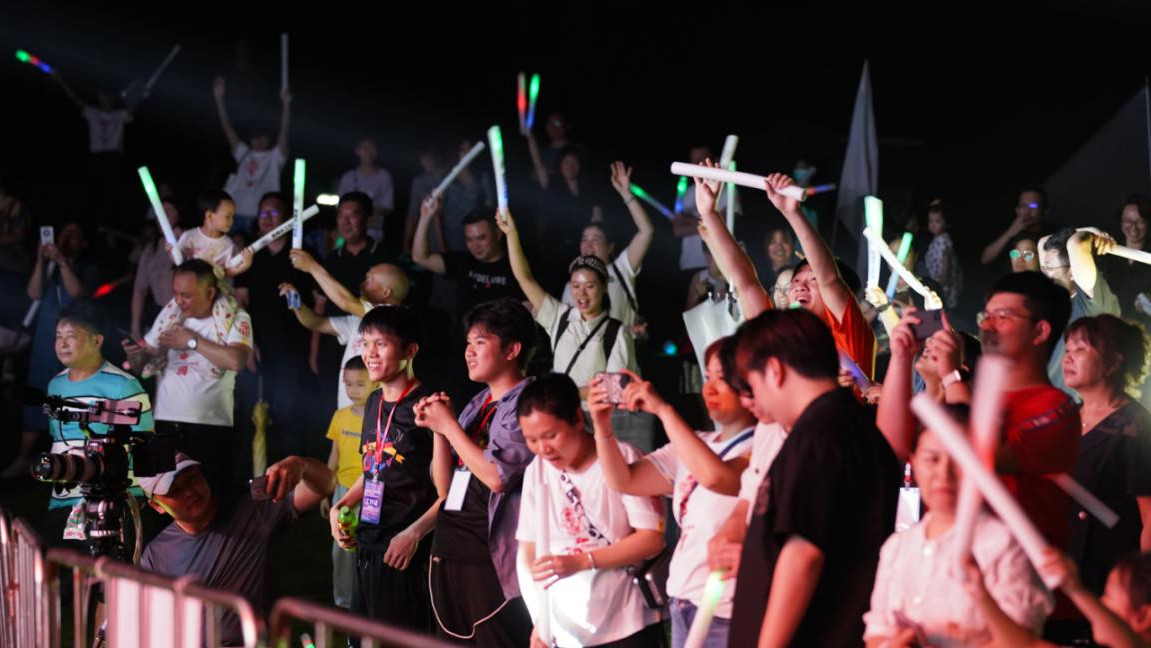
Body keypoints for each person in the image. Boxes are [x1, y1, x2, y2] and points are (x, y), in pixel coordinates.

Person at [726, 308, 900, 647]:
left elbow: (804, 553)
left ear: (774, 371)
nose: (754, 401)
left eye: (753, 384)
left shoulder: (820, 435)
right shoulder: (845, 425)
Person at [590, 339, 756, 648]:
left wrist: (664, 410)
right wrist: (603, 429)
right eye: (707, 376)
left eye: (722, 378)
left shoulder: (765, 445)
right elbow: (623, 480)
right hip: (683, 599)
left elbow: (716, 477)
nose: (710, 388)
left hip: (727, 608)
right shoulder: (695, 441)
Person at [863, 407, 1054, 647]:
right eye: (932, 459)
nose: (944, 473)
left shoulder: (1002, 543)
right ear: (914, 462)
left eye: (959, 460)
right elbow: (876, 632)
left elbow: (1024, 642)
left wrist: (981, 596)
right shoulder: (897, 548)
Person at [415, 299, 538, 646]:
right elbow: (444, 487)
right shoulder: (478, 403)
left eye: (480, 342)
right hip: (451, 545)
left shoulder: (528, 404)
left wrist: (449, 426)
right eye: (468, 343)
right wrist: (439, 430)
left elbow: (498, 477)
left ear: (512, 350)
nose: (469, 352)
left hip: (491, 555)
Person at [514, 373, 666, 648]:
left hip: (626, 620)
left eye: (551, 435)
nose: (543, 449)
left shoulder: (623, 458)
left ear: (577, 418)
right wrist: (540, 619)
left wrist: (582, 561)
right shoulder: (536, 471)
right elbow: (527, 552)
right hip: (565, 626)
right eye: (531, 440)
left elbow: (651, 539)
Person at [328, 305, 449, 633]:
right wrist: (342, 505)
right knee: (363, 636)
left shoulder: (428, 405)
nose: (370, 353)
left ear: (410, 351)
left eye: (381, 344)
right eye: (366, 344)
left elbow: (447, 495)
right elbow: (373, 471)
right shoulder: (373, 401)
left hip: (404, 549)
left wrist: (413, 534)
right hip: (368, 541)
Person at [139, 452, 335, 647]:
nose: (189, 491)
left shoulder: (254, 512)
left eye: (192, 478)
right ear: (157, 506)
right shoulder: (156, 554)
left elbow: (326, 485)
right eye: (175, 490)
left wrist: (301, 465)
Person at [123, 259, 253, 496]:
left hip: (209, 426)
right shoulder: (171, 315)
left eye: (186, 295)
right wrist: (136, 357)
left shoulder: (235, 316)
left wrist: (192, 341)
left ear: (210, 292)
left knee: (210, 497)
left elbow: (236, 360)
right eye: (175, 293)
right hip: (166, 423)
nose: (178, 301)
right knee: (164, 498)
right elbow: (144, 365)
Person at [977, 271, 1079, 547]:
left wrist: (951, 379)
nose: (987, 326)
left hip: (1019, 562)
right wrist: (903, 357)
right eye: (986, 316)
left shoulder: (1056, 407)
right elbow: (896, 447)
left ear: (1040, 331)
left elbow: (980, 459)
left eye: (1002, 317)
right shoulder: (978, 397)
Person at [39, 301, 154, 542]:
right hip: (63, 501)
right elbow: (58, 440)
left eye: (71, 336)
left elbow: (146, 448)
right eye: (58, 336)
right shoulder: (55, 385)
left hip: (111, 505)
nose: (62, 343)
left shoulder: (123, 386)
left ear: (97, 340)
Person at [498, 209, 634, 397]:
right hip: (561, 412)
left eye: (590, 286)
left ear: (604, 287)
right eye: (576, 286)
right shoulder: (559, 316)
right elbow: (525, 278)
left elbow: (616, 388)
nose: (582, 293)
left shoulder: (617, 332)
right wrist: (511, 233)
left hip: (592, 415)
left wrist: (564, 393)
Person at [1062, 315, 1151, 593]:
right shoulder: (1066, 417)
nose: (1067, 358)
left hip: (1108, 578)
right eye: (1067, 350)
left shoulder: (1135, 427)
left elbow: (1149, 517)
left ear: (1113, 362)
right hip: (1062, 567)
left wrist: (1141, 585)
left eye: (1080, 349)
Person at [762, 170, 876, 378]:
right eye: (796, 281)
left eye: (813, 279)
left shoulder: (849, 332)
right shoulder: (788, 343)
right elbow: (745, 284)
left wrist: (792, 212)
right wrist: (709, 214)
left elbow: (829, 279)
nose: (799, 286)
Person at [8, 222, 100, 479]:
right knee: (37, 393)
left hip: (74, 343)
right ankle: (23, 458)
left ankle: (69, 460)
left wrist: (61, 262)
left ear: (84, 243)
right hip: (45, 341)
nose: (68, 237)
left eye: (75, 234)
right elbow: (34, 292)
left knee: (69, 398)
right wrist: (41, 260)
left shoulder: (88, 269)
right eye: (65, 232)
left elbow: (78, 292)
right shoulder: (48, 266)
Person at [282, 251, 409, 409]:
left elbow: (345, 302)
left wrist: (312, 267)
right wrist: (294, 301)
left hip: (375, 415)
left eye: (370, 280)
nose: (362, 284)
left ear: (386, 292)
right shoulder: (360, 320)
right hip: (349, 411)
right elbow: (315, 323)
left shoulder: (394, 318)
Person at [559, 161, 655, 331]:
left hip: (624, 348)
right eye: (584, 239)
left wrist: (626, 194)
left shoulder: (621, 269)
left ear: (610, 247)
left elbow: (646, 231)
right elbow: (570, 329)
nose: (588, 244)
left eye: (595, 239)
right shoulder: (572, 285)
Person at [1038, 227, 1121, 395]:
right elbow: (1042, 242)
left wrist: (1091, 235)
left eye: (1050, 268)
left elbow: (1076, 243)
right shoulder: (1056, 299)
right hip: (1045, 399)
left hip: (1075, 404)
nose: (1044, 275)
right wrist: (1091, 230)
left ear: (1072, 273)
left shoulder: (1090, 299)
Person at [413, 197, 523, 322]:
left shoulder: (517, 268)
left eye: (481, 238)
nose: (475, 246)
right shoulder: (463, 261)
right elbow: (420, 257)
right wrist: (425, 217)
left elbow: (529, 313)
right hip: (464, 334)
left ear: (497, 234)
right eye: (470, 239)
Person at [323, 356, 376, 609]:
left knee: (369, 545)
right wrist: (326, 491)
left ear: (375, 383)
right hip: (343, 491)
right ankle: (343, 602)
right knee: (342, 548)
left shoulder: (378, 418)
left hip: (370, 491)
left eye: (360, 384)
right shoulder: (340, 416)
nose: (353, 390)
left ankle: (369, 597)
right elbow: (334, 454)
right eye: (348, 384)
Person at [213, 77, 291, 230]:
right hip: (233, 216)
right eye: (255, 137)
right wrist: (218, 98)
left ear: (269, 138)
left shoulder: (275, 157)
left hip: (260, 218)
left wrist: (286, 104)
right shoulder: (244, 154)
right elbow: (227, 127)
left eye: (262, 137)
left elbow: (285, 131)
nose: (258, 141)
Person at [130, 199, 182, 339]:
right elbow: (139, 290)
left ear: (179, 215)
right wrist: (135, 328)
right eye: (160, 212)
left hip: (183, 319)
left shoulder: (189, 242)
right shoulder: (151, 249)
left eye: (168, 212)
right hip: (158, 316)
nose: (163, 216)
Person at [1101, 194, 1151, 323]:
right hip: (1109, 325)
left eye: (1140, 221)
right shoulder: (1107, 250)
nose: (1133, 227)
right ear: (1121, 222)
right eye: (1128, 221)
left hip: (1143, 328)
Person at [337, 137, 395, 243]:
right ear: (357, 150)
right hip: (349, 234)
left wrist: (361, 211)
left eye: (372, 148)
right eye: (365, 148)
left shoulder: (384, 176)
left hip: (375, 234)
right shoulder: (348, 177)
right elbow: (341, 206)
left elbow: (387, 206)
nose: (368, 152)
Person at [981, 188, 1050, 266]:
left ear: (1045, 211)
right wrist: (1010, 233)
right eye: (1023, 206)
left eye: (1033, 206)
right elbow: (985, 259)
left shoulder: (1053, 235)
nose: (1027, 211)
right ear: (1017, 210)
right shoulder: (1007, 230)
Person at [923, 199, 963, 309]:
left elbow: (946, 262)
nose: (933, 225)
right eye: (930, 221)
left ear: (946, 223)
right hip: (935, 275)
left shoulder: (945, 241)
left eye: (937, 222)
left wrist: (943, 279)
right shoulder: (938, 237)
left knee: (943, 299)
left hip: (942, 279)